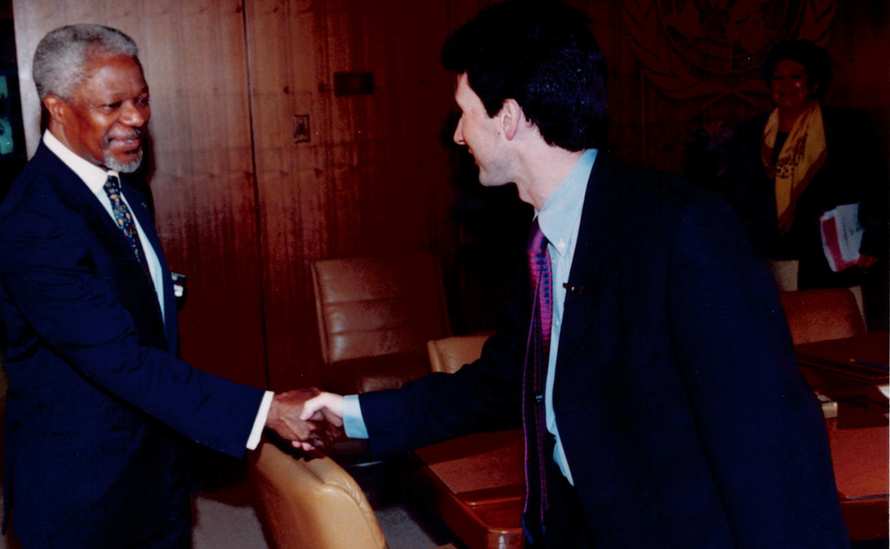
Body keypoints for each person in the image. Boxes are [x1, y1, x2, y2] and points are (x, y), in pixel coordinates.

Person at [302, 2, 849, 547]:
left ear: (509, 117)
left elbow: (769, 440)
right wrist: (349, 413)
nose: (459, 136)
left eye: (465, 113)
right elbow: (501, 382)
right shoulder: (549, 235)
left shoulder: (682, 230)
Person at [0, 24, 336, 548]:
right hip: (83, 487)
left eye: (142, 100)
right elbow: (123, 360)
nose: (136, 119)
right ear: (57, 108)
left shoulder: (123, 182)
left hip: (157, 465)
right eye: (113, 105)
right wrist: (265, 411)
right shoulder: (35, 223)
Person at [724, 40, 888, 293]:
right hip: (768, 255)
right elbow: (736, 194)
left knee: (834, 328)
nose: (785, 85)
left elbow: (875, 187)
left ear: (815, 83)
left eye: (796, 77)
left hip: (832, 256)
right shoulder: (750, 132)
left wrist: (874, 242)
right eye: (777, 78)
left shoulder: (846, 125)